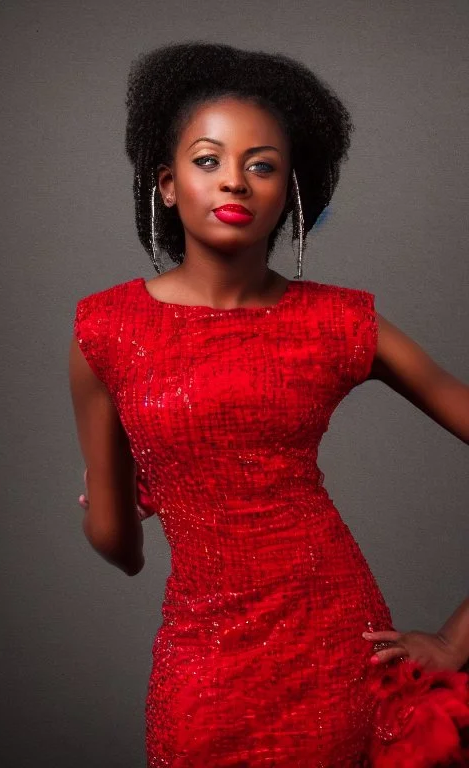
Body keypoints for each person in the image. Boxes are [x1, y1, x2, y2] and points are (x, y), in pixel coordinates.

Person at [69, 41, 469, 767]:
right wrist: (127, 498)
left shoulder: (341, 322)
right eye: (208, 159)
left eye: (262, 165)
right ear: (166, 184)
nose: (236, 182)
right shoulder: (104, 329)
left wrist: (453, 641)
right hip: (203, 663)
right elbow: (121, 551)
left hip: (335, 650)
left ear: (292, 191)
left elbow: (112, 538)